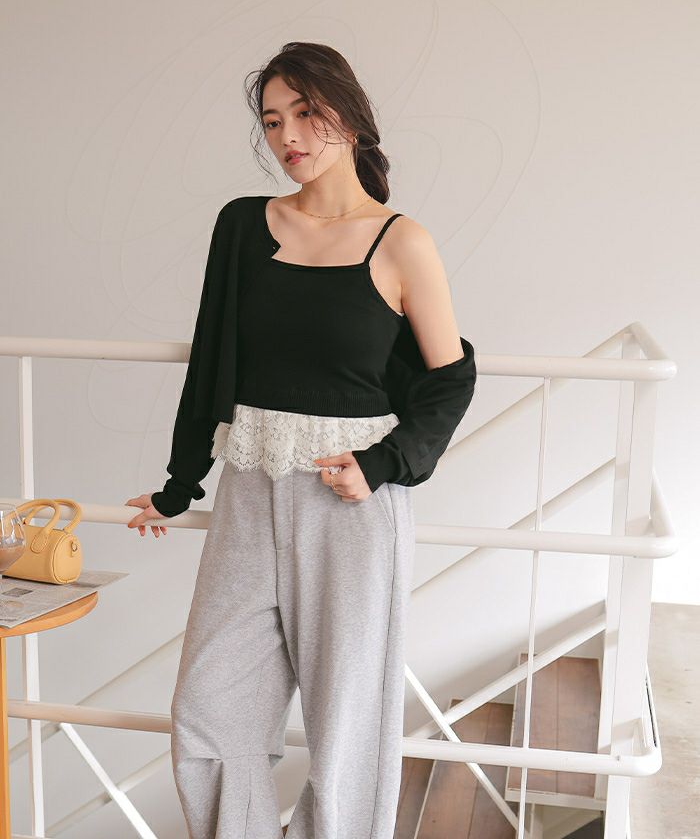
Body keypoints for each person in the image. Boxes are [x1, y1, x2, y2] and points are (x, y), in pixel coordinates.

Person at [125, 41, 476, 839]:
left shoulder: (402, 242)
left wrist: (383, 466)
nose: (288, 136)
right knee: (210, 710)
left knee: (347, 729)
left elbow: (449, 378)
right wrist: (181, 484)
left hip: (349, 502)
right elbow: (213, 359)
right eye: (273, 120)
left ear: (347, 116)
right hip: (250, 490)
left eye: (306, 114)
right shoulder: (244, 226)